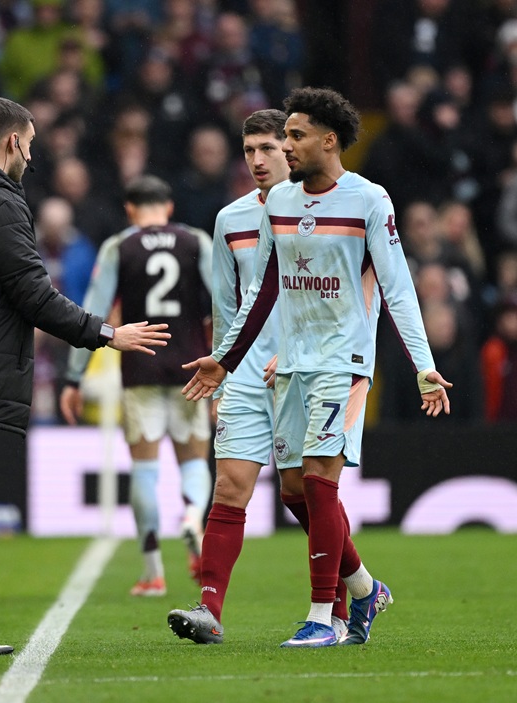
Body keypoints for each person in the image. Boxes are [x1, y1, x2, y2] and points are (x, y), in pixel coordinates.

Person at [179, 87, 452, 648]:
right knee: (294, 491)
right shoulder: (277, 206)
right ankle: (365, 589)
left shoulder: (371, 200)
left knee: (321, 483)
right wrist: (225, 360)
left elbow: (399, 291)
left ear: (328, 140)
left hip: (344, 361)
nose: (283, 148)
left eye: (292, 137)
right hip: (290, 365)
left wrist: (424, 365)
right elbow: (262, 291)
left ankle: (321, 618)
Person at [0, 96, 171, 656]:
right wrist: (108, 334)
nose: (31, 159)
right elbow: (33, 295)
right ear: (12, 141)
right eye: (30, 145)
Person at [168, 108, 351, 644]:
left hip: (306, 368)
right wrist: (222, 379)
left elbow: (337, 294)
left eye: (268, 148)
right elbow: (227, 308)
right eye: (249, 151)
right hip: (246, 372)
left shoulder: (326, 209)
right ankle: (209, 610)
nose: (258, 160)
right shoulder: (230, 220)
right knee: (230, 487)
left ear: (291, 148)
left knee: (303, 491)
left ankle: (350, 593)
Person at [59, 174, 213, 597]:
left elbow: (93, 310)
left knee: (144, 468)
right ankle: (193, 517)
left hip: (140, 370)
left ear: (130, 209)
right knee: (194, 459)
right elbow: (225, 299)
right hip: (191, 366)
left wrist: (74, 376)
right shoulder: (195, 241)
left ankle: (152, 572)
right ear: (169, 208)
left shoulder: (118, 246)